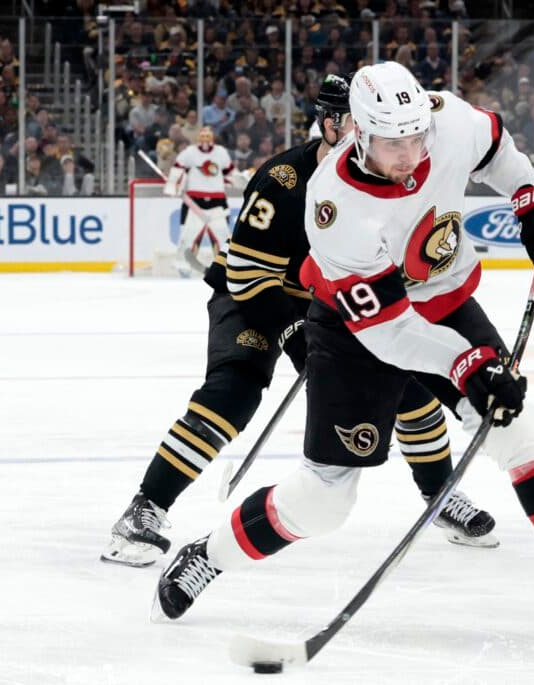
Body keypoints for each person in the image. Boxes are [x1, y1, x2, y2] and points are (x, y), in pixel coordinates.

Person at [154, 63, 534, 633]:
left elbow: (495, 147)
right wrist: (466, 366)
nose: (411, 155)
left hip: (444, 299)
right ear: (359, 133)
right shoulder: (333, 205)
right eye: (393, 144)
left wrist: (531, 193)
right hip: (355, 332)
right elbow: (389, 331)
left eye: (416, 138)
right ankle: (207, 557)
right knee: (324, 500)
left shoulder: (445, 121)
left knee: (520, 429)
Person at [102, 75, 498, 569]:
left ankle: (440, 494)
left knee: (411, 384)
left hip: (330, 306)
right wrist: (293, 332)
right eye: (357, 122)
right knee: (233, 393)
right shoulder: (284, 179)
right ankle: (146, 508)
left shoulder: (394, 177)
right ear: (332, 122)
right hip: (254, 297)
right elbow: (246, 273)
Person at [166, 126, 234, 276]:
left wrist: (241, 180)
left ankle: (225, 269)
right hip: (194, 202)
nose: (205, 139)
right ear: (198, 138)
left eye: (208, 136)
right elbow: (177, 167)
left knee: (223, 236)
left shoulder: (221, 152)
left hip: (217, 201)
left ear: (212, 138)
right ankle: (183, 266)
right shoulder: (190, 152)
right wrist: (171, 184)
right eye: (202, 136)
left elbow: (230, 172)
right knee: (188, 235)